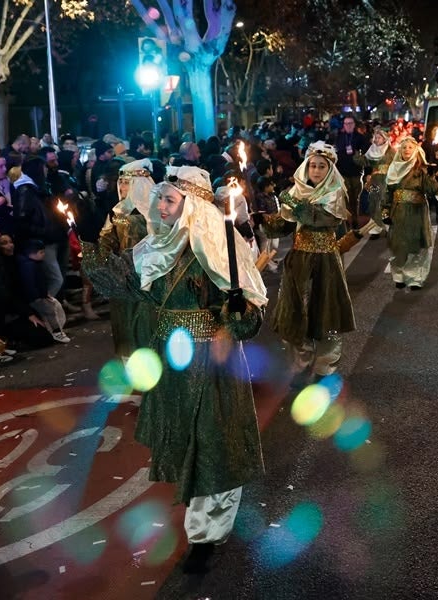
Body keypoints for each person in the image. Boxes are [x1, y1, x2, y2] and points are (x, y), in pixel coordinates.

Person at [80, 165, 268, 573]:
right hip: (170, 360)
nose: (161, 206)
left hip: (210, 363)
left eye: (169, 200)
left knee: (211, 443)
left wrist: (236, 317)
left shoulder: (217, 250)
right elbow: (126, 283)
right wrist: (91, 251)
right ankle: (204, 523)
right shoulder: (154, 248)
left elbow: (249, 314)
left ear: (192, 207)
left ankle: (205, 534)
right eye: (160, 198)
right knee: (186, 443)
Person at [262, 142, 356, 384]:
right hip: (299, 263)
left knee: (326, 317)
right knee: (295, 316)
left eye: (321, 166)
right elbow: (285, 224)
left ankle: (324, 368)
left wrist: (292, 203)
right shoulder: (296, 193)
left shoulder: (335, 194)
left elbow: (319, 219)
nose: (315, 170)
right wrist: (266, 221)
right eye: (312, 165)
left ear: (330, 169)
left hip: (326, 264)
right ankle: (300, 366)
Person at [97, 159, 162, 357]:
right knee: (126, 322)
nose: (122, 187)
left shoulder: (155, 213)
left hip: (147, 277)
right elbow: (106, 243)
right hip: (123, 277)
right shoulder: (117, 213)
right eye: (121, 182)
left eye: (127, 183)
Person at [381, 137, 438, 290]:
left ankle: (415, 278)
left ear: (415, 151)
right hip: (398, 212)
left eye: (410, 147)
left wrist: (430, 175)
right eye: (404, 147)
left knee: (416, 246)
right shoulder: (393, 169)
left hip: (417, 213)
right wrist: (385, 211)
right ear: (399, 151)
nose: (406, 150)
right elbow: (387, 193)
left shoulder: (420, 169)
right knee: (399, 245)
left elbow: (432, 191)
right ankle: (399, 276)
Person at [355, 127, 395, 239]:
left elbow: (396, 165)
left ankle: (388, 228)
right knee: (373, 203)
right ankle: (375, 229)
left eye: (379, 138)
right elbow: (365, 162)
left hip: (386, 181)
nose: (376, 140)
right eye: (375, 138)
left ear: (384, 139)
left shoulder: (391, 151)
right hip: (374, 181)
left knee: (385, 203)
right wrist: (357, 156)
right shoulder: (372, 150)